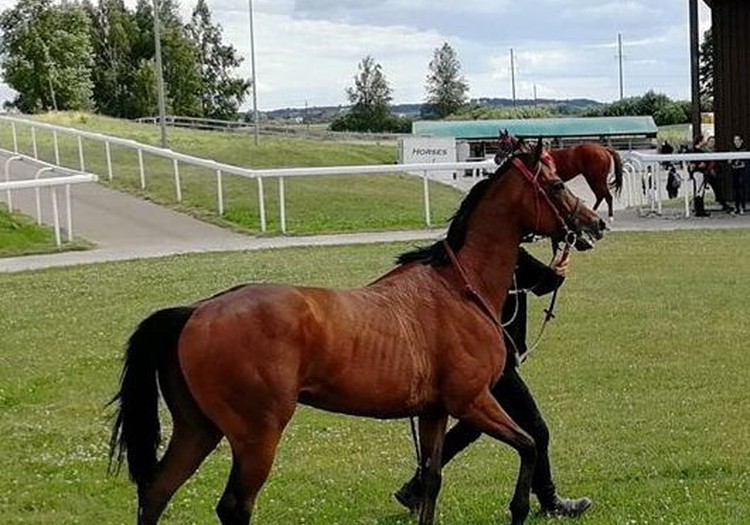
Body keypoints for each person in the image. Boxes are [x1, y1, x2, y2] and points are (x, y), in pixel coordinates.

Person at [394, 245, 592, 518]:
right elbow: (541, 284)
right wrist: (556, 274)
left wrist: (556, 272)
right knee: (536, 430)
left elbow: (540, 283)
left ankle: (415, 488)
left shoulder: (496, 254)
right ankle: (549, 501)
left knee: (471, 429)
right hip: (492, 364)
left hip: (486, 359)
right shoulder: (492, 257)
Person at [729, 134, 748, 215]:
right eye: (735, 140)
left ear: (741, 141)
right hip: (735, 173)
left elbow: (745, 164)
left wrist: (738, 165)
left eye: (738, 140)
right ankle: (736, 206)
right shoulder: (732, 150)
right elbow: (730, 162)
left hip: (742, 173)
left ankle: (742, 206)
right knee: (735, 190)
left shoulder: (745, 150)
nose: (736, 142)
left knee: (741, 190)